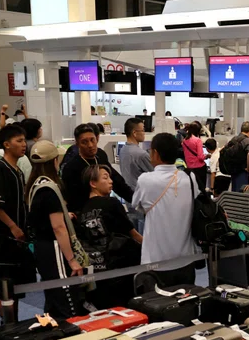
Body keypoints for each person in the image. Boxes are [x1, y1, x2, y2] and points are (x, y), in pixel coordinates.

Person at [26, 140, 86, 317]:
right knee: (66, 300)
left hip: (41, 247)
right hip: (54, 248)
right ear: (54, 161)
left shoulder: (34, 185)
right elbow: (58, 227)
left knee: (52, 300)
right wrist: (71, 259)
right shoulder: (49, 189)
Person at [131, 133, 200, 286]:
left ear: (155, 153)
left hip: (156, 260)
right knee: (186, 305)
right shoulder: (189, 178)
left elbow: (138, 206)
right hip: (186, 258)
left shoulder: (145, 180)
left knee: (158, 306)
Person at [0, 124, 36, 319]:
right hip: (4, 239)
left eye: (24, 141)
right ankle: (8, 326)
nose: (24, 145)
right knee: (6, 288)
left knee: (17, 288)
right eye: (19, 141)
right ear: (6, 144)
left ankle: (16, 323)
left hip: (19, 238)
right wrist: (12, 226)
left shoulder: (18, 170)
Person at [77, 165, 143, 308]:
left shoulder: (82, 211)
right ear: (93, 183)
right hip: (120, 266)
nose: (111, 181)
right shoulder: (112, 203)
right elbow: (132, 233)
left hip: (97, 268)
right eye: (105, 178)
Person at [61, 123, 133, 212]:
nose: (90, 145)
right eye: (84, 142)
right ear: (77, 144)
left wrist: (134, 200)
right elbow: (73, 200)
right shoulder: (71, 168)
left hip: (105, 207)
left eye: (92, 140)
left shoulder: (100, 155)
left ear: (97, 139)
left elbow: (117, 181)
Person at [119, 117, 153, 192]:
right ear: (134, 133)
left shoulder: (122, 150)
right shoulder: (141, 154)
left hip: (129, 195)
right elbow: (155, 175)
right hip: (141, 196)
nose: (144, 133)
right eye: (143, 130)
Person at [224, 121, 249, 192]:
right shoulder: (248, 141)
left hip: (233, 171)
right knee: (242, 194)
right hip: (242, 172)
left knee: (235, 193)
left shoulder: (234, 139)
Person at [182, 121, 207, 193]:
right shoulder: (198, 141)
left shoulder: (184, 141)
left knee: (192, 189)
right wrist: (206, 156)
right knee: (201, 190)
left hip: (189, 168)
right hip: (199, 169)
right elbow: (200, 157)